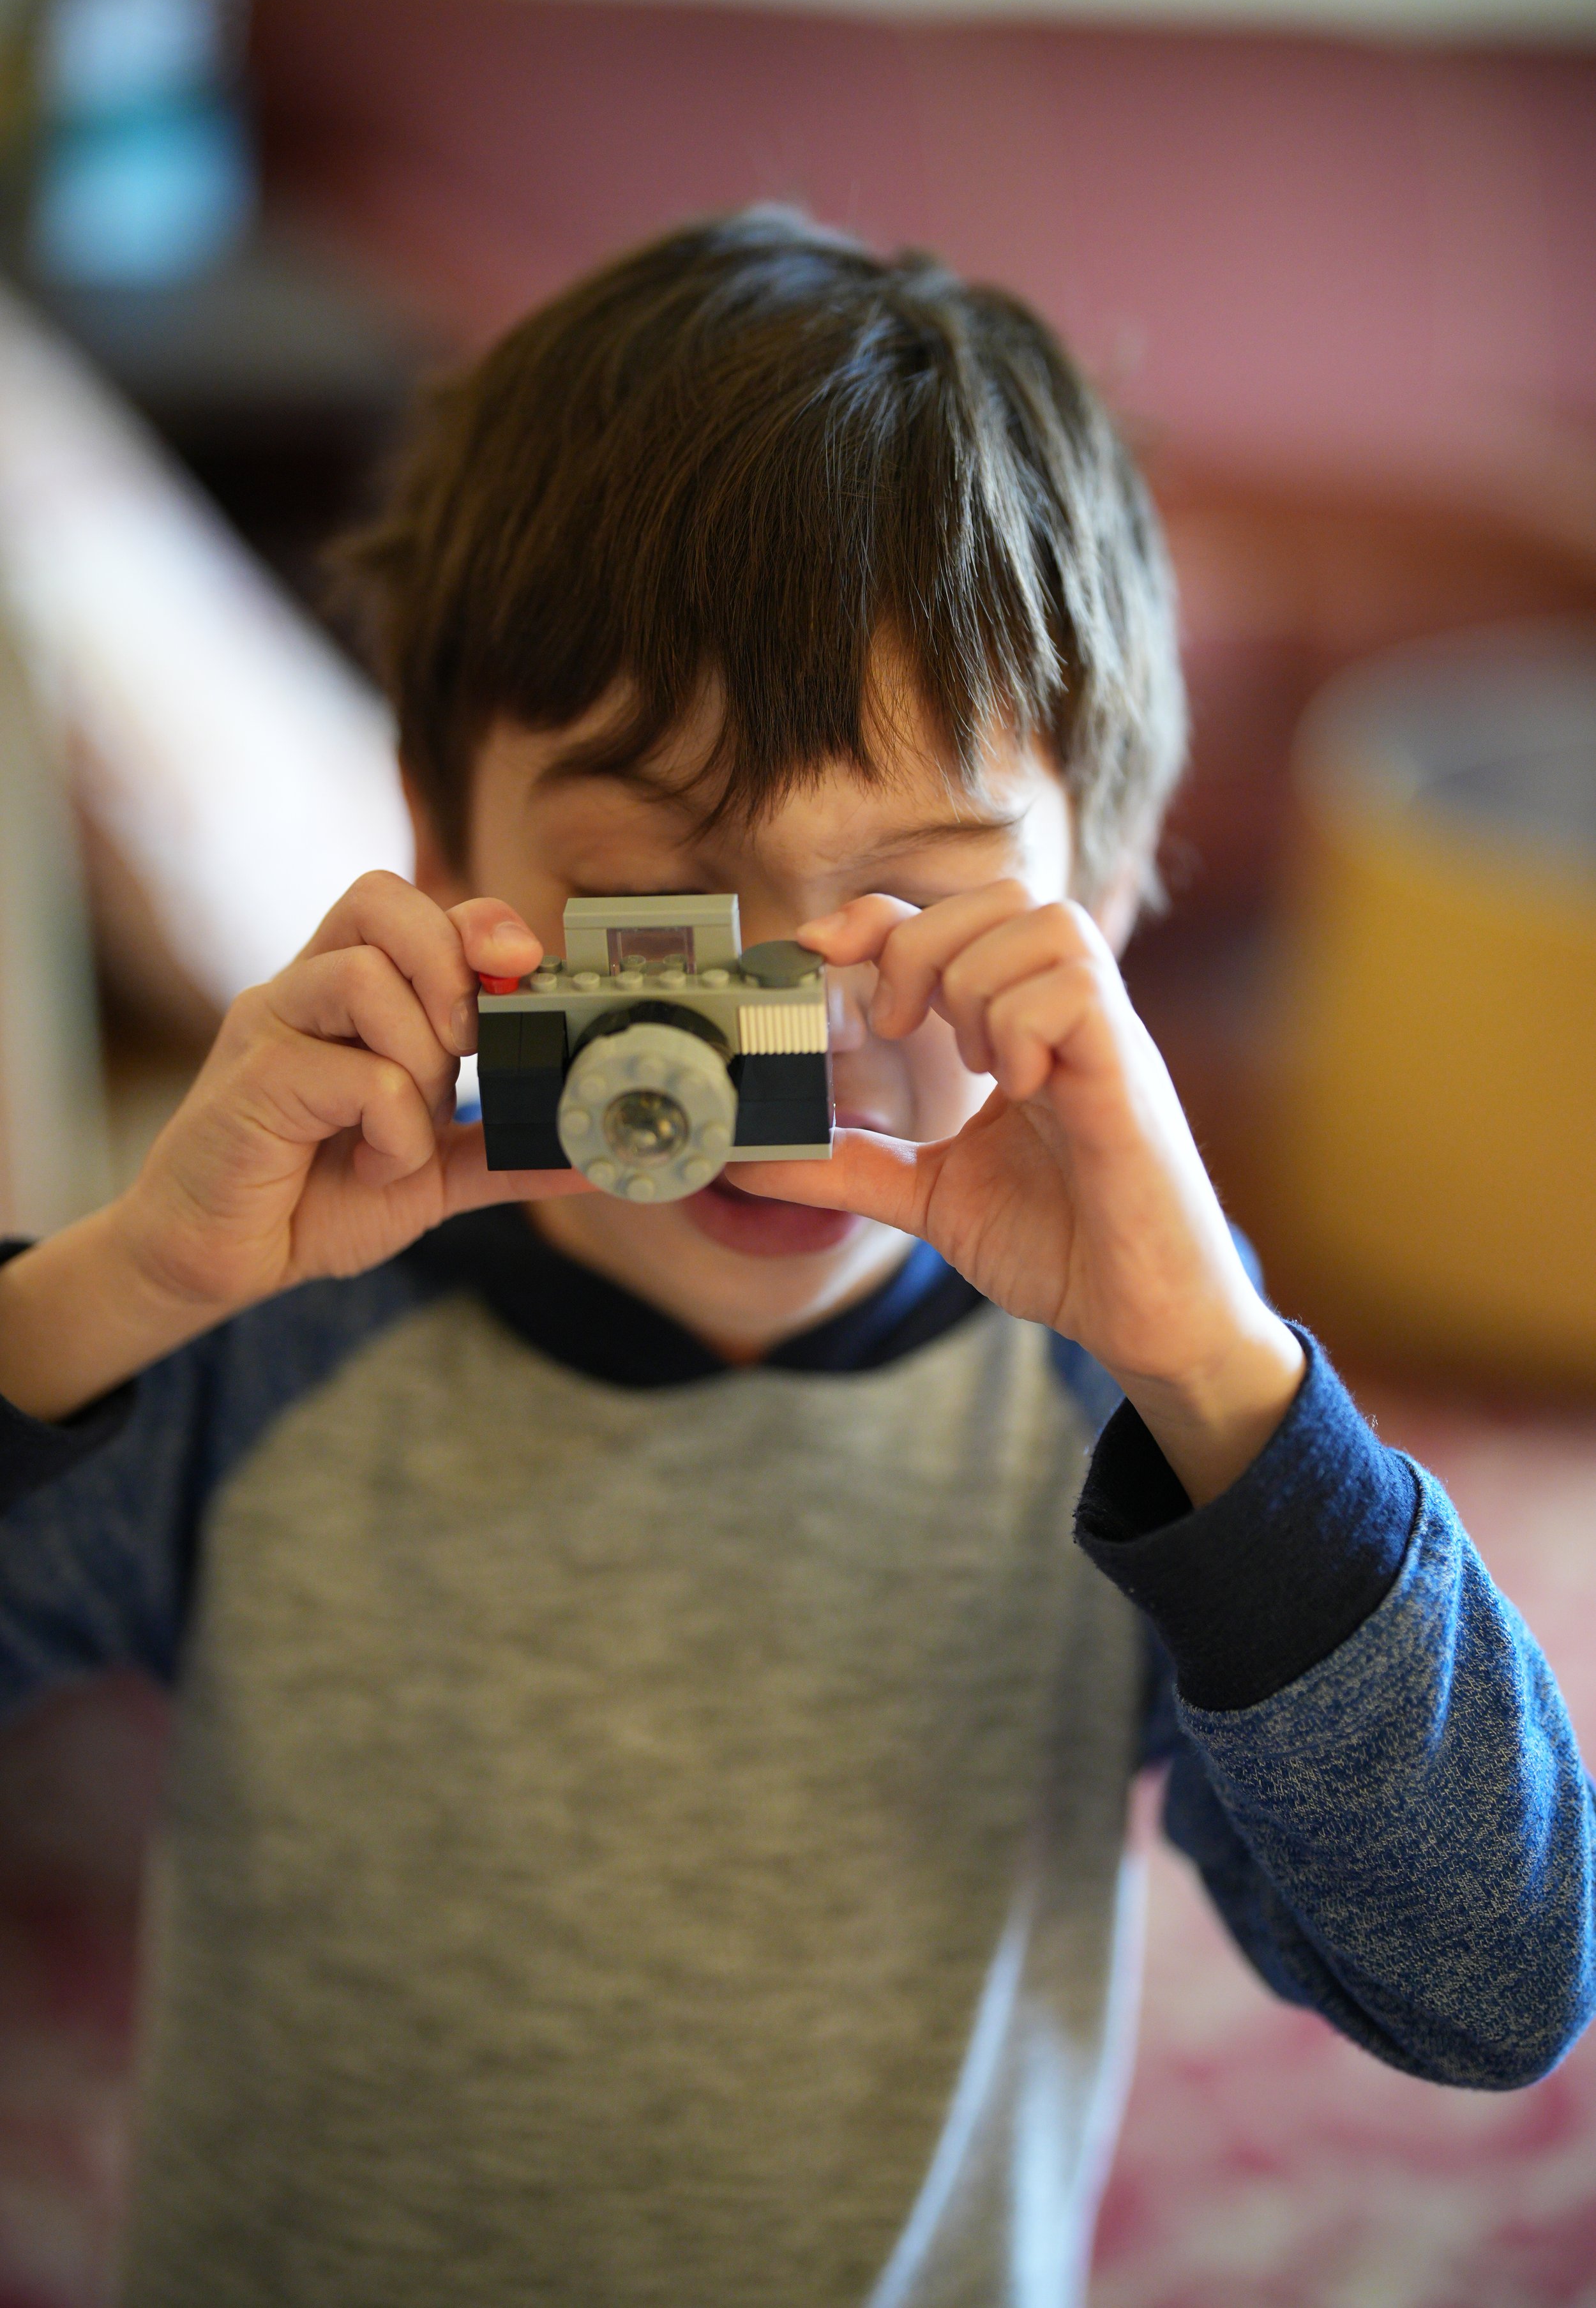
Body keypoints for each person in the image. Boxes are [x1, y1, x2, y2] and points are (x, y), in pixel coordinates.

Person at [0, 209, 1590, 2308]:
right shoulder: (256, 1343)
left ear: (1100, 899)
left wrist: (1219, 1373)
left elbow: (1490, 1981)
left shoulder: (1139, 1443)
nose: (782, 1033)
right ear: (440, 841)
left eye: (905, 916)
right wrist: (105, 1288)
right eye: (652, 896)